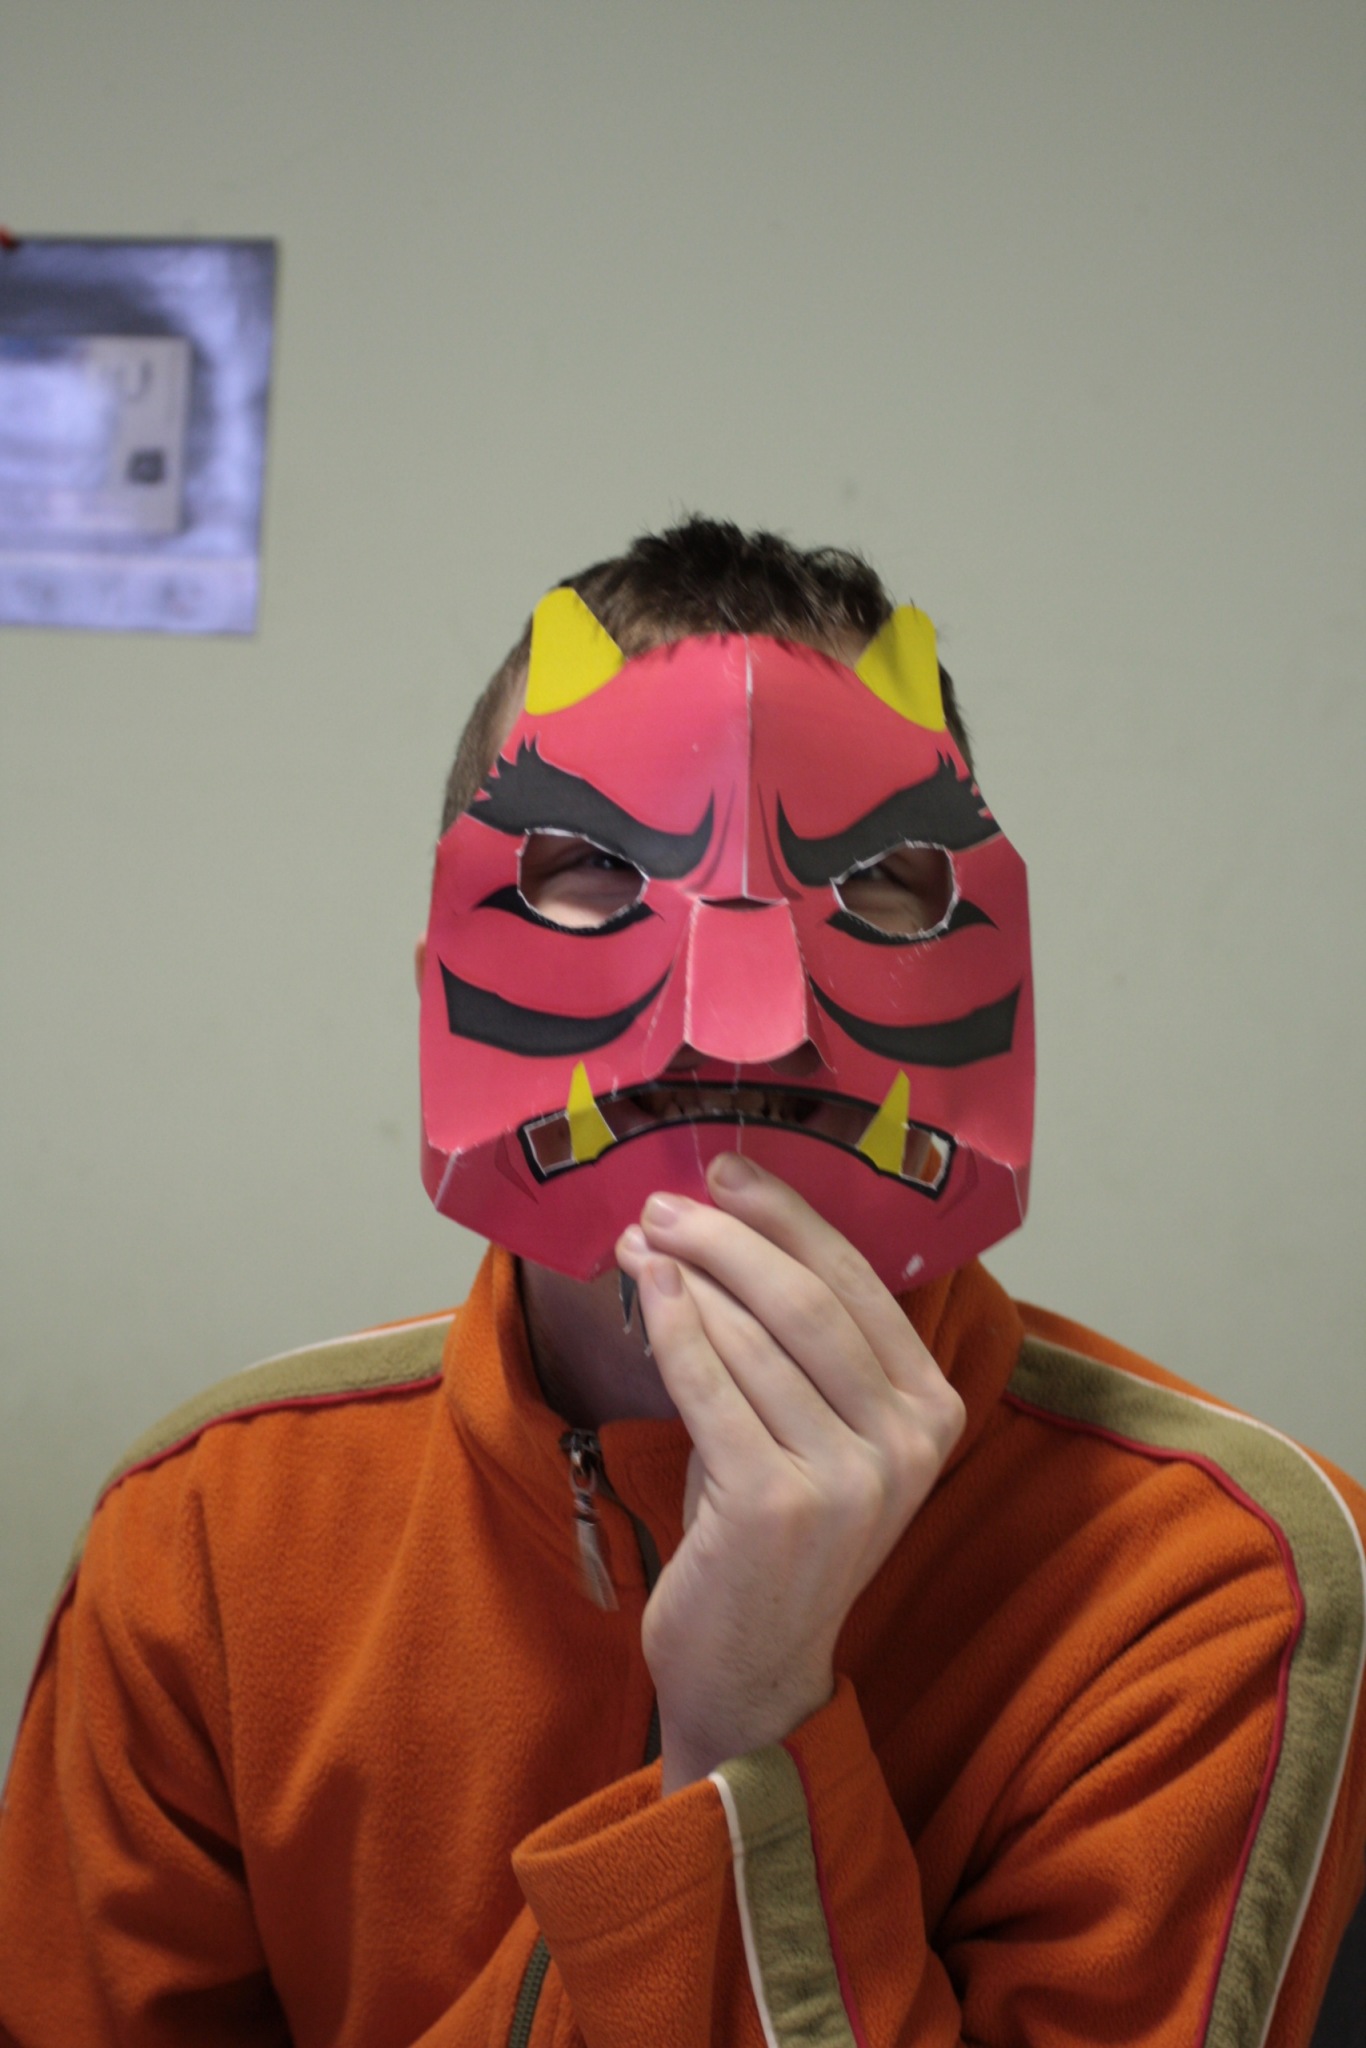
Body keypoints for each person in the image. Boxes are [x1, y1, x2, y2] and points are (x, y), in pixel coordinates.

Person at [1, 519, 1363, 2047]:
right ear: (438, 983)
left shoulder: (1214, 1576)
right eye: (590, 868)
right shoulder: (205, 1539)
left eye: (877, 879)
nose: (741, 1027)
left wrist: (753, 1722)